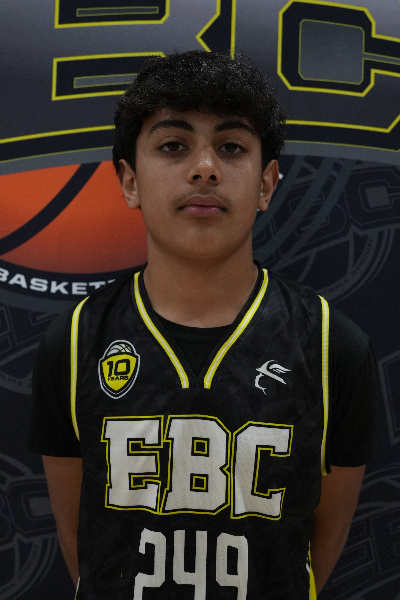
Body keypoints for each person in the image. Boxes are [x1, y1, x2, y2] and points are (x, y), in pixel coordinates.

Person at [28, 51, 375, 599]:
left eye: (231, 147)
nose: (205, 168)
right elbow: (82, 548)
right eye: (173, 146)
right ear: (129, 181)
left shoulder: (334, 346)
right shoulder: (73, 343)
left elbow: (318, 550)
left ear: (266, 184)